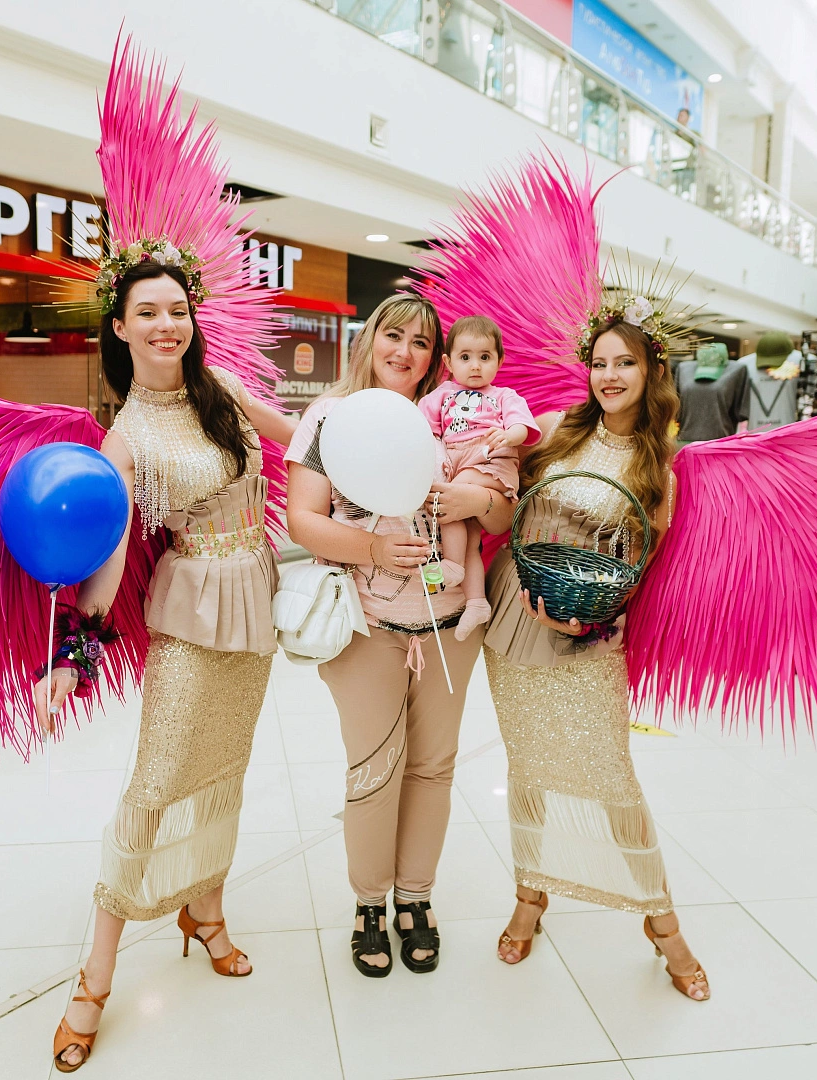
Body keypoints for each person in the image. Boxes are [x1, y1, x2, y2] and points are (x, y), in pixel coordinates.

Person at [34, 260, 296, 1072]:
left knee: (224, 769)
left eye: (175, 309)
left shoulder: (223, 392)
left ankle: (205, 914)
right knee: (155, 785)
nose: (164, 325)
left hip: (253, 599)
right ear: (118, 328)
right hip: (190, 612)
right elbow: (109, 556)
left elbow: (303, 442)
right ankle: (94, 977)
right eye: (145, 312)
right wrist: (71, 655)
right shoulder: (125, 439)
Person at [286, 293, 513, 978]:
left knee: (433, 768)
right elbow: (302, 519)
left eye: (420, 342)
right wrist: (374, 549)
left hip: (451, 627)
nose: (404, 352)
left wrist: (481, 499)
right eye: (393, 335)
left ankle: (415, 897)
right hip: (366, 628)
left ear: (435, 358)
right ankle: (368, 903)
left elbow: (501, 513)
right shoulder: (330, 417)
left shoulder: (454, 417)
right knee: (374, 770)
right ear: (368, 340)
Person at [483, 316, 709, 1002]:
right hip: (513, 611)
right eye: (600, 363)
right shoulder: (556, 428)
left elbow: (644, 562)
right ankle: (530, 897)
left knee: (612, 777)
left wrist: (590, 619)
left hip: (590, 628)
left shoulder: (659, 465)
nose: (608, 376)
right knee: (527, 765)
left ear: (651, 372)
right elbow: (506, 499)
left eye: (624, 363)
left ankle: (663, 925)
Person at [417, 315, 539, 639]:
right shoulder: (441, 395)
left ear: (499, 360)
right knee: (469, 533)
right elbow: (421, 429)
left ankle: (452, 565)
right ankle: (476, 601)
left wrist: (509, 435)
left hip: (490, 459)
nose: (475, 365)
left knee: (448, 500)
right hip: (457, 464)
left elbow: (521, 425)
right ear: (448, 362)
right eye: (465, 357)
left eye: (485, 357)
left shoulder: (503, 395)